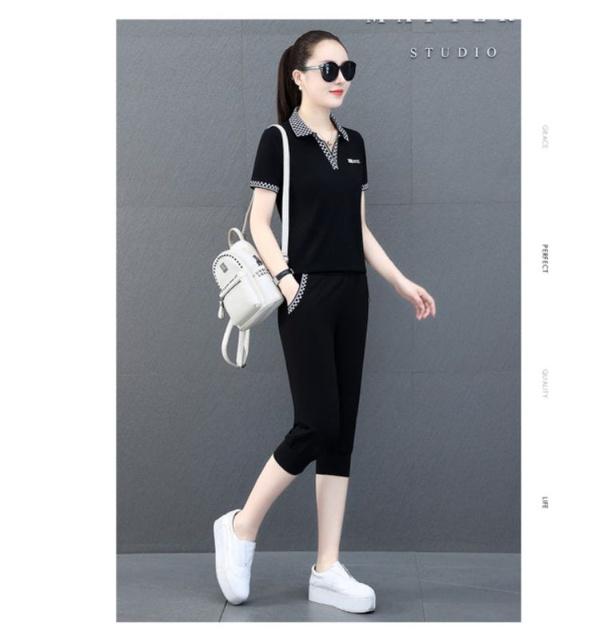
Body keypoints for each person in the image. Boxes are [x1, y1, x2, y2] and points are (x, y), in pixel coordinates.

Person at [213, 30, 436, 614]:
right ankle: (240, 526)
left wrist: (399, 281)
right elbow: (259, 223)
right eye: (328, 68)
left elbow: (357, 228)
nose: (341, 78)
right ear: (299, 77)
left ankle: (327, 567)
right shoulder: (278, 140)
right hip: (305, 291)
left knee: (341, 434)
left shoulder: (355, 143)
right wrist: (290, 283)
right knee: (315, 424)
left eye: (347, 68)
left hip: (352, 294)